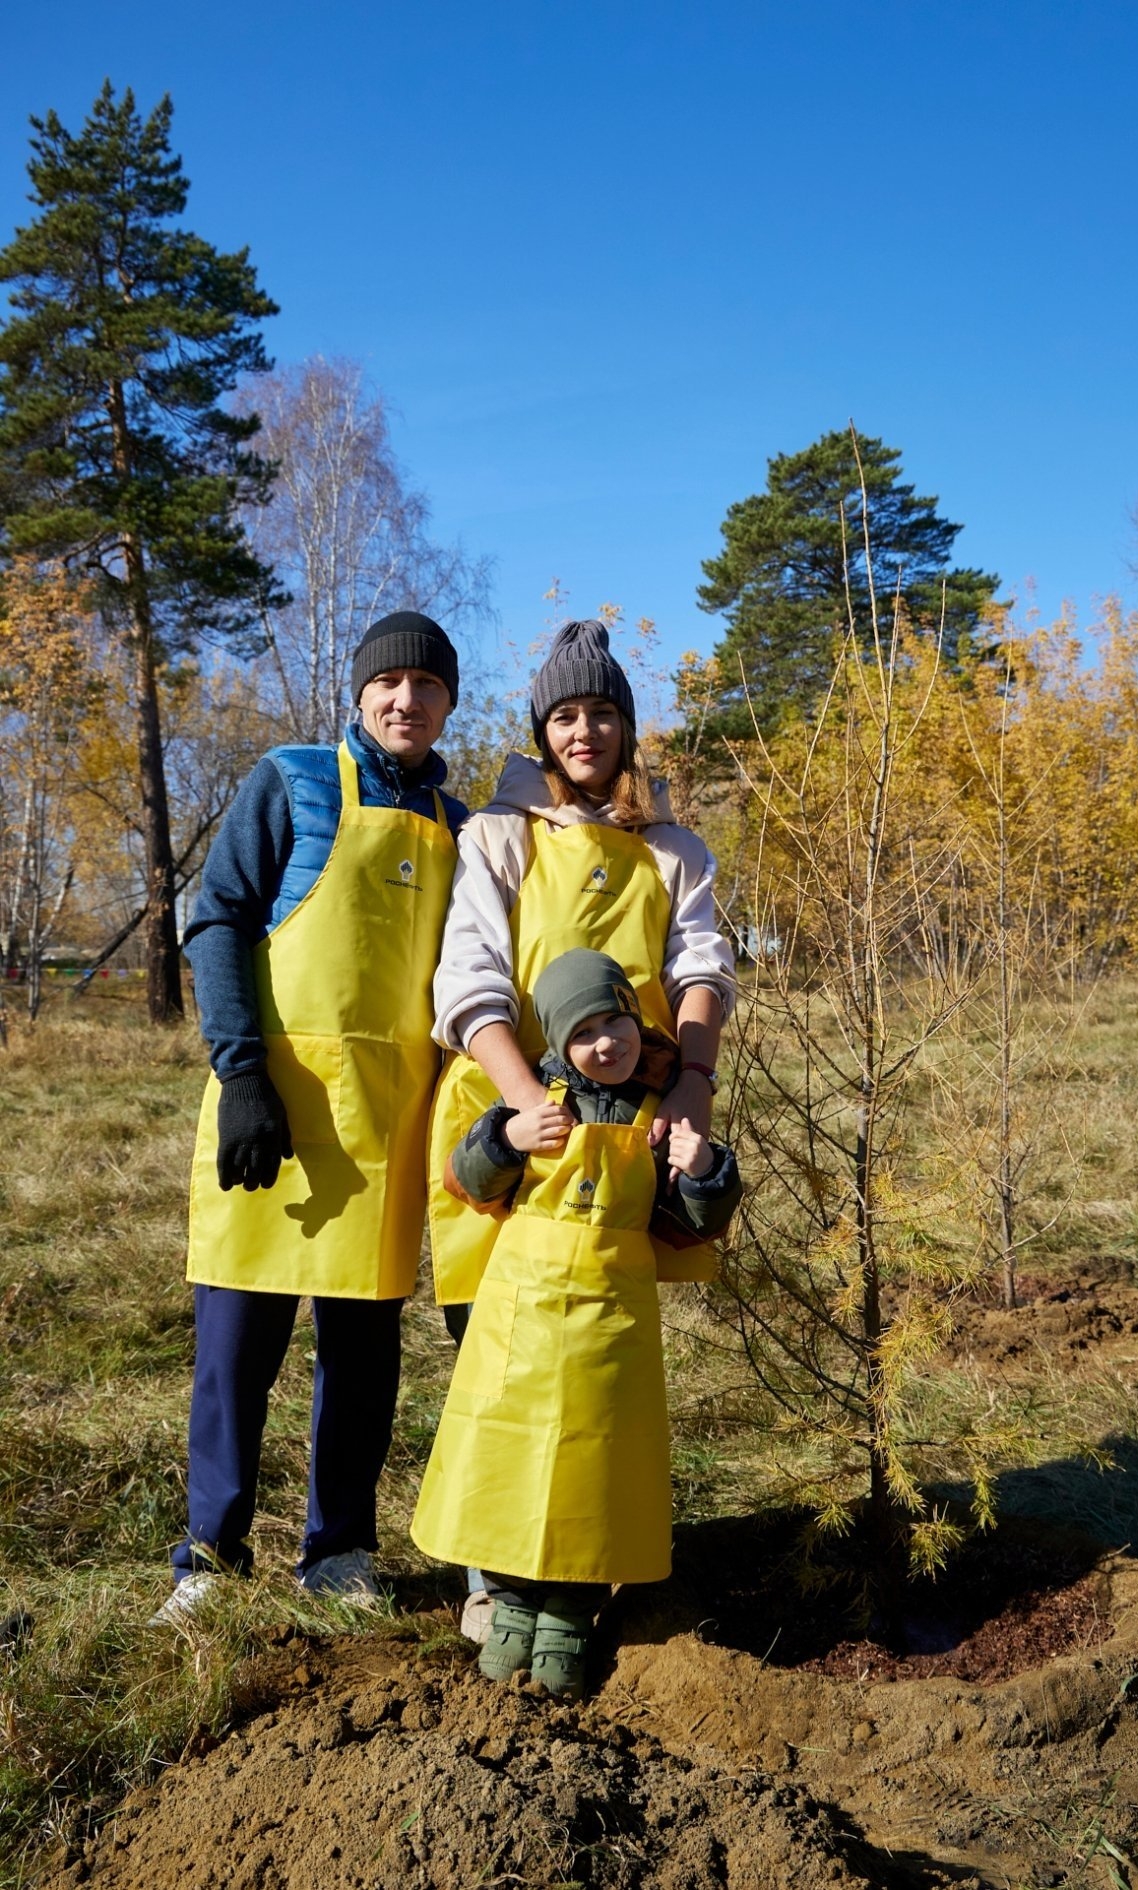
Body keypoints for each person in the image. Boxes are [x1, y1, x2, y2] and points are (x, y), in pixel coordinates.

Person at [424, 617, 738, 1637]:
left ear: (628, 725)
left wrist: (691, 1082)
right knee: (495, 1346)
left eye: (603, 712)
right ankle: (495, 1573)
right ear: (541, 728)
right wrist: (524, 1102)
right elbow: (469, 977)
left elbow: (702, 970)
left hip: (630, 1122)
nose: (585, 731)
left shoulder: (674, 850)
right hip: (512, 1111)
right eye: (565, 714)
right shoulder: (498, 834)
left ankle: (586, 1562)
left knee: (601, 1347)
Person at [156, 611, 467, 1622]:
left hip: (389, 1125)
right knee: (237, 1343)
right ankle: (209, 1557)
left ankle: (339, 1552)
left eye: (426, 687)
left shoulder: (460, 826)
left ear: (447, 702)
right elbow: (217, 918)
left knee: (364, 1356)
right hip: (273, 1110)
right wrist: (241, 1072)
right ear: (361, 691)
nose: (405, 701)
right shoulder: (290, 779)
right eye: (389, 684)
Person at [411, 948, 741, 1696]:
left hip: (610, 1328)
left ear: (637, 1020)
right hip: (518, 1321)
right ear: (558, 1044)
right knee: (509, 1461)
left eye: (617, 1021)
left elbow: (689, 1229)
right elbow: (466, 1181)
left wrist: (706, 1173)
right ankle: (514, 1606)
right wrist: (505, 1140)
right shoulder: (534, 1106)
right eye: (585, 1030)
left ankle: (570, 1613)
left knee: (597, 1467)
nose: (607, 1042)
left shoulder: (660, 1120)